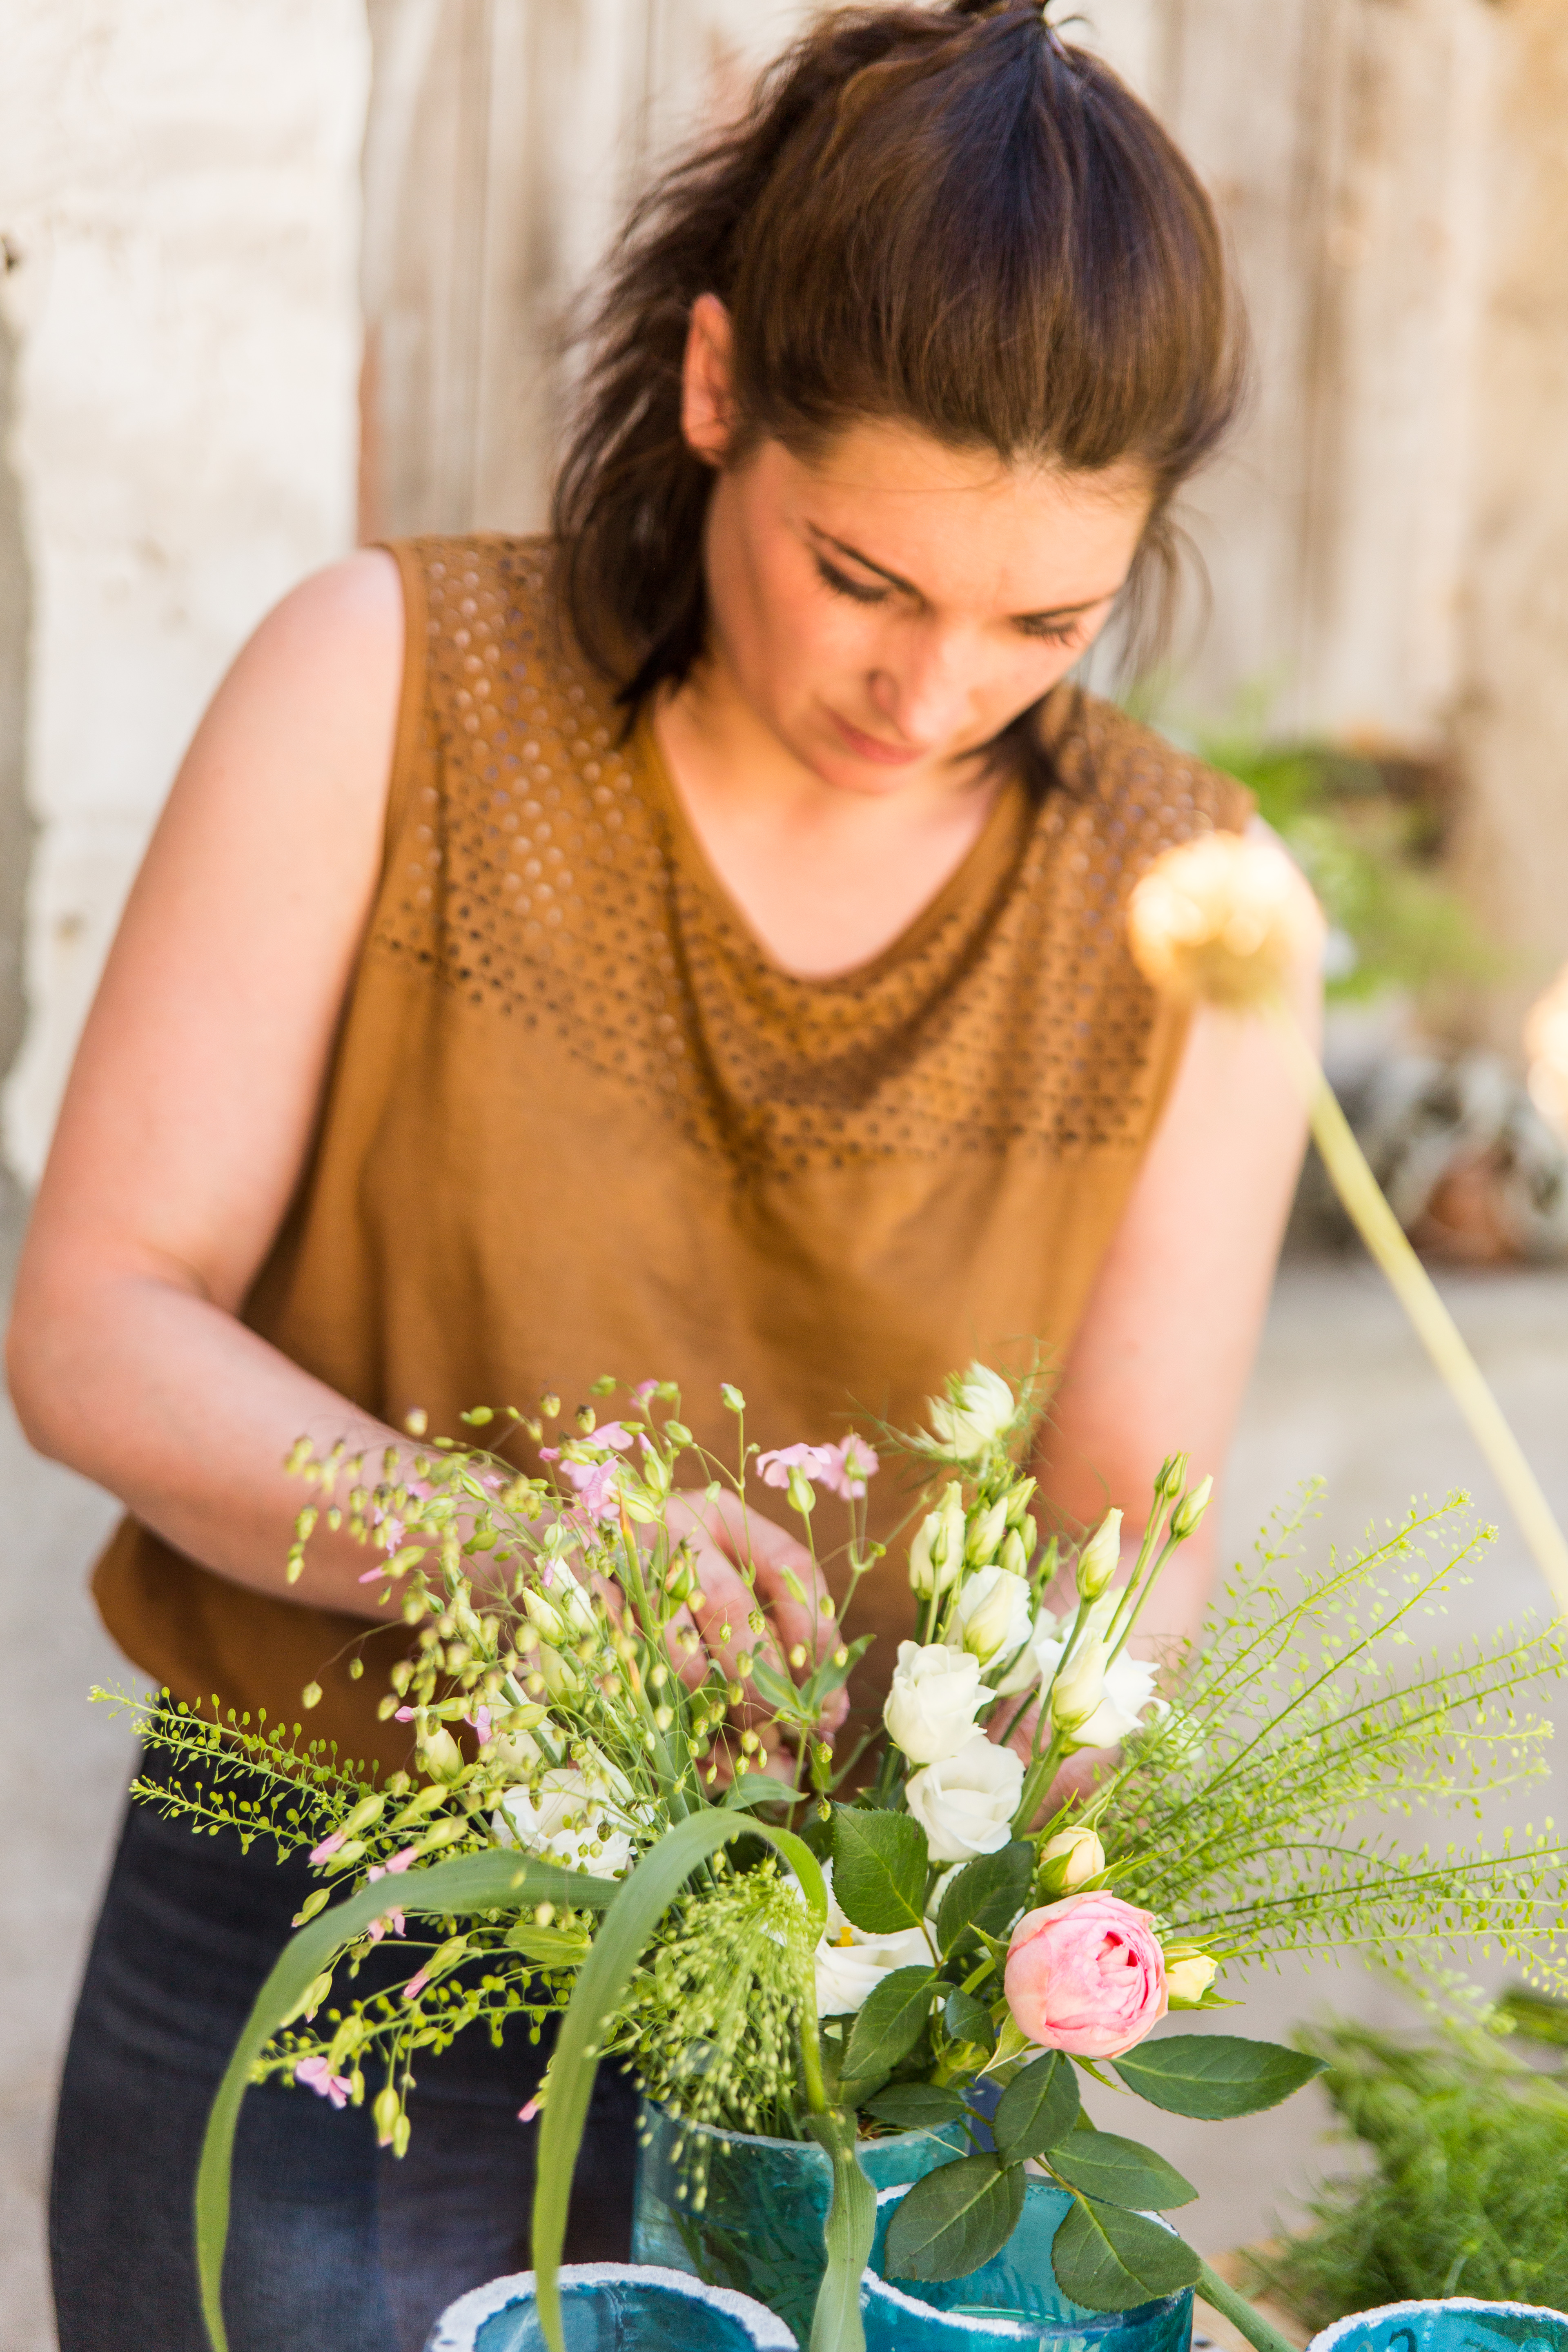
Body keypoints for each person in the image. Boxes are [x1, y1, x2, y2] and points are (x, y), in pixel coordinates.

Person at [7, 5, 1318, 2348]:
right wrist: (508, 1556)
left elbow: (1141, 1520)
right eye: (865, 576)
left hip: (848, 2022)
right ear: (715, 385)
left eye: (1046, 621)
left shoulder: (1186, 905)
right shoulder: (390, 687)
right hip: (322, 1937)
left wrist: (989, 1896)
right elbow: (93, 1320)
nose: (932, 695)